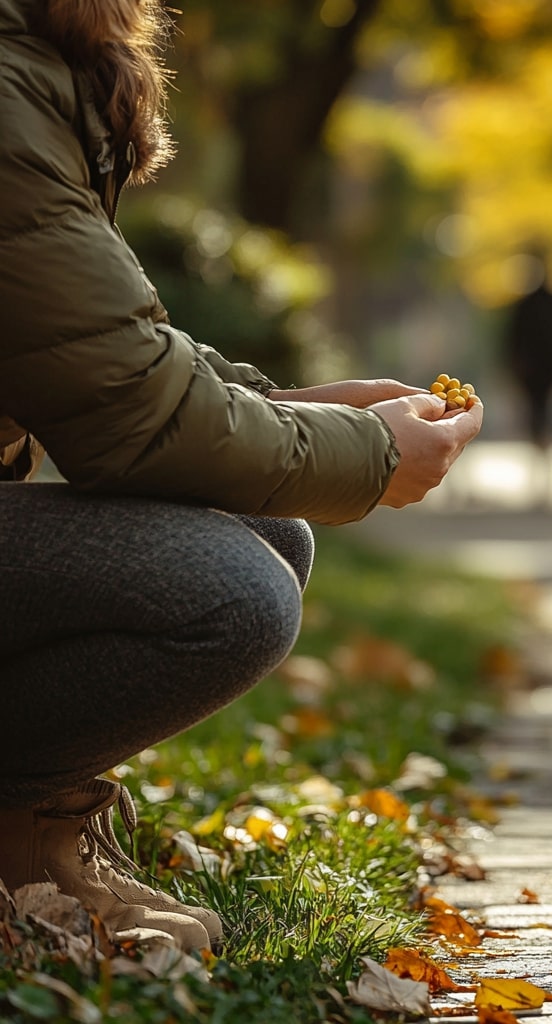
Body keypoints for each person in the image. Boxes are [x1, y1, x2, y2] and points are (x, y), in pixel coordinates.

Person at [0, 0, 483, 954]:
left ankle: (37, 826)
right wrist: (370, 455)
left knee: (274, 533)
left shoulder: (36, 56)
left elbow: (95, 352)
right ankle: (18, 841)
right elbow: (131, 412)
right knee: (233, 589)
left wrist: (300, 406)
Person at [501, 258, 552, 503]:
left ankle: (540, 469)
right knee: (545, 418)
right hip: (548, 372)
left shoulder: (524, 305)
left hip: (533, 373)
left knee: (537, 418)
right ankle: (543, 470)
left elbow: (512, 341)